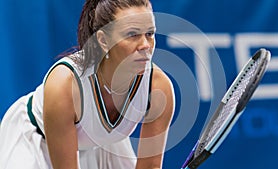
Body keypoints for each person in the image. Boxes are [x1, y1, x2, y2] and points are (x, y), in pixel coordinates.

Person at [0, 0, 175, 168]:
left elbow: (150, 166)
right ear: (103, 41)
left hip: (102, 144)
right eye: (132, 34)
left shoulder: (159, 88)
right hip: (36, 141)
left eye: (150, 34)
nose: (145, 45)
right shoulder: (65, 84)